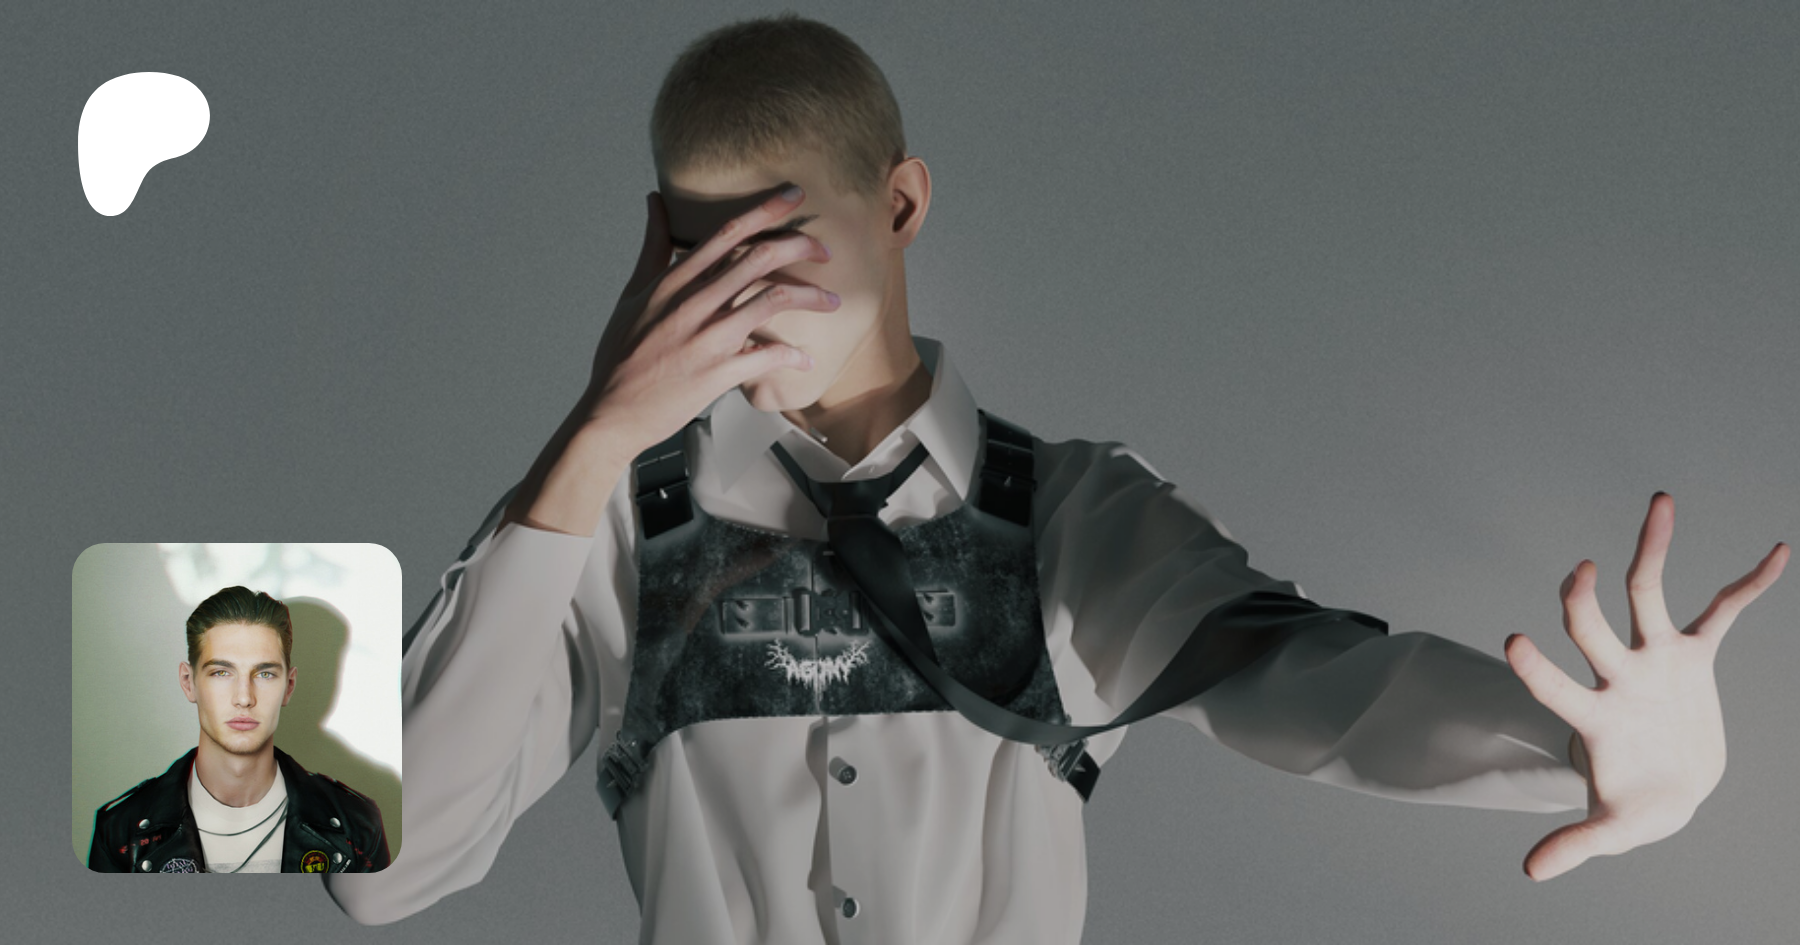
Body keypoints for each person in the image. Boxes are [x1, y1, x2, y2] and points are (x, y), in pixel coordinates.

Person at [325, 13, 1788, 942]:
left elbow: (1314, 685)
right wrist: (589, 441)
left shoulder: (1072, 517)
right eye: (707, 252)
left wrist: (1587, 751)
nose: (742, 296)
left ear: (900, 203)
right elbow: (372, 871)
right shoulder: (604, 528)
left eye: (784, 240)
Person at [88, 585, 391, 874]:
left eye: (265, 674)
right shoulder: (120, 832)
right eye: (221, 672)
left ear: (289, 687)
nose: (244, 698)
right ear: (188, 682)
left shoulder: (357, 826)